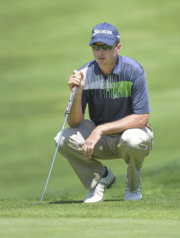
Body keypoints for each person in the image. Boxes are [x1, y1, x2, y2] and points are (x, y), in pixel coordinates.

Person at [54, 22, 154, 203]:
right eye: (95, 46)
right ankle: (100, 178)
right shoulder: (85, 73)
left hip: (130, 133)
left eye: (106, 47)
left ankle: (133, 185)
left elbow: (142, 118)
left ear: (118, 47)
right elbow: (74, 123)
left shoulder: (133, 71)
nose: (100, 52)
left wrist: (100, 130)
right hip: (100, 140)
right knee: (62, 139)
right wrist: (77, 92)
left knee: (134, 140)